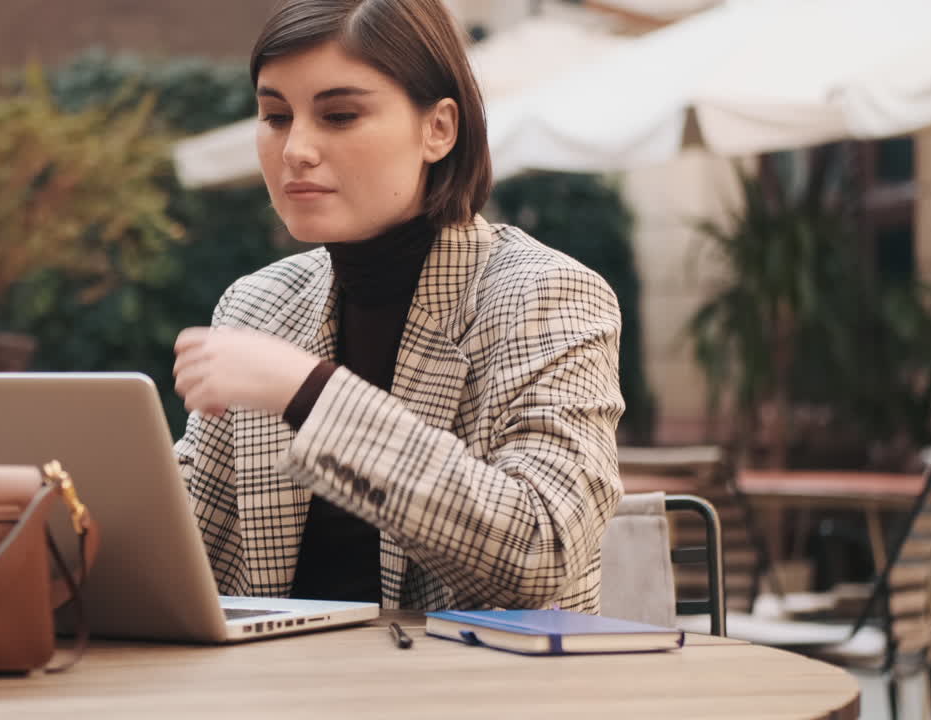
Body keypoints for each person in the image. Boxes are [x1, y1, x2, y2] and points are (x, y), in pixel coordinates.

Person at [172, 0, 624, 612]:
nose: (295, 149)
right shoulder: (258, 305)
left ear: (438, 129)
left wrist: (311, 392)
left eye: (339, 115)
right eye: (275, 116)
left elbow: (542, 553)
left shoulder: (544, 294)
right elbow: (191, 555)